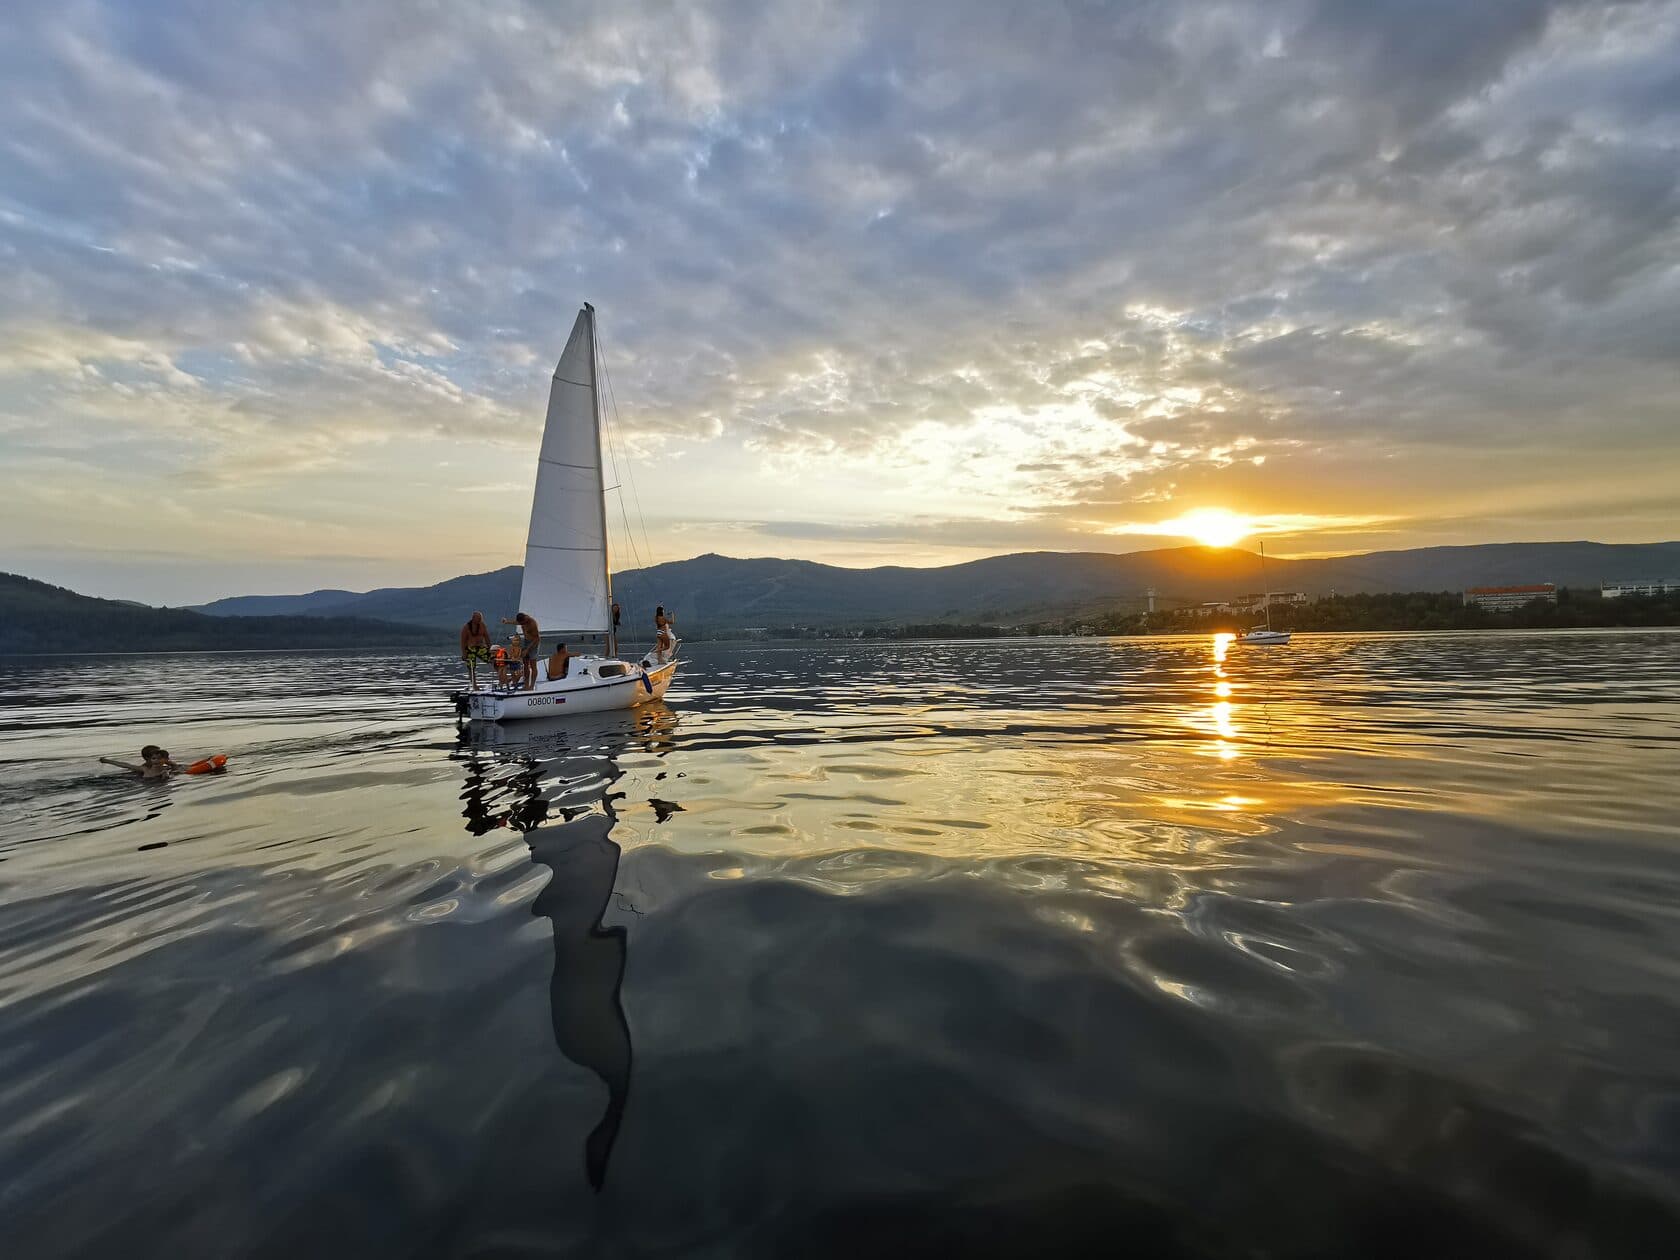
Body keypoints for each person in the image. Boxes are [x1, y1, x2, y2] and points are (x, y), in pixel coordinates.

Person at [501, 612, 540, 689]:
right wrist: (506, 622)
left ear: (525, 619)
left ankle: (531, 686)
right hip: (526, 642)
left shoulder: (532, 623)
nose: (521, 624)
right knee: (525, 664)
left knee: (533, 665)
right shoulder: (522, 621)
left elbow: (537, 638)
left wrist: (527, 649)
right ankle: (526, 685)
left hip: (534, 643)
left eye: (522, 623)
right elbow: (515, 622)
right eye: (521, 623)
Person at [101, 745, 177, 780]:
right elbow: (126, 765)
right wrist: (107, 761)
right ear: (148, 758)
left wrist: (170, 764)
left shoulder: (165, 768)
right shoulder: (144, 769)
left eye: (160, 757)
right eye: (154, 758)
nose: (157, 760)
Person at [459, 611, 492, 688]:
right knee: (471, 667)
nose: (480, 620)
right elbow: (463, 642)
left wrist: (490, 648)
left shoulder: (482, 625)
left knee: (493, 659)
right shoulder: (466, 627)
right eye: (478, 619)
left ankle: (502, 678)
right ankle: (474, 685)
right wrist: (464, 653)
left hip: (481, 647)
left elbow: (487, 638)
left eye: (481, 619)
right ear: (473, 618)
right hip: (470, 648)